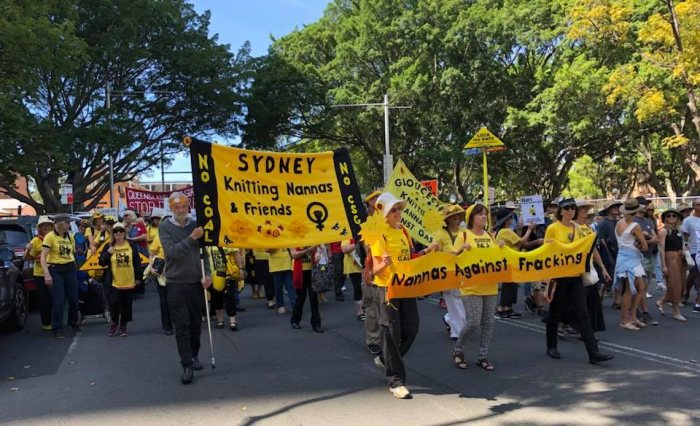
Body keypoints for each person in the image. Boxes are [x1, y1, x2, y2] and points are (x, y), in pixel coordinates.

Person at [544, 198, 613, 364]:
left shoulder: (579, 228)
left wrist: (601, 266)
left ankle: (593, 353)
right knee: (555, 311)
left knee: (583, 312)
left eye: (572, 208)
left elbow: (588, 247)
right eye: (566, 208)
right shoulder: (552, 228)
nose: (569, 211)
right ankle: (551, 346)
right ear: (560, 211)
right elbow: (546, 252)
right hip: (559, 276)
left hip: (575, 276)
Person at [371, 193, 421, 399]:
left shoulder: (404, 231)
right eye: (393, 210)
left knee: (412, 328)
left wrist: (429, 250)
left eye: (399, 209)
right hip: (387, 288)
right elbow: (375, 269)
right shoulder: (378, 235)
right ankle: (396, 381)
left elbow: (411, 258)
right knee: (392, 333)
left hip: (405, 286)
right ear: (384, 214)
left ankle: (385, 358)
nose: (398, 213)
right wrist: (386, 263)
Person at [159, 192, 212, 385]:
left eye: (183, 206)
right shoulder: (165, 226)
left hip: (195, 283)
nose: (181, 210)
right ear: (171, 209)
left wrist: (207, 273)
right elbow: (172, 253)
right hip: (176, 283)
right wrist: (192, 237)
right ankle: (186, 364)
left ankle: (194, 355)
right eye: (177, 207)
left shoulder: (195, 224)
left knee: (196, 323)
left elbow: (203, 253)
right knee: (182, 325)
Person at [452, 203, 502, 371]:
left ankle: (483, 356)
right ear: (471, 217)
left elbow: (497, 258)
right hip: (470, 286)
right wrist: (460, 250)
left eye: (485, 214)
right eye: (479, 213)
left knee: (488, 323)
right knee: (473, 322)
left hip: (490, 286)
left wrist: (501, 247)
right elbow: (452, 257)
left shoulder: (490, 235)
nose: (483, 216)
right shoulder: (463, 236)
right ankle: (458, 350)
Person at [426, 204, 468, 339]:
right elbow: (432, 251)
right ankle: (457, 333)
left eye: (457, 215)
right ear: (447, 219)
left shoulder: (465, 232)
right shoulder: (440, 234)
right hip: (448, 273)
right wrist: (435, 248)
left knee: (465, 302)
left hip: (465, 272)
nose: (455, 218)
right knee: (454, 302)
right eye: (452, 216)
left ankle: (449, 319)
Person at [99, 222, 143, 337]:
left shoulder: (131, 245)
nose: (118, 233)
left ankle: (123, 325)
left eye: (121, 230)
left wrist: (139, 277)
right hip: (114, 281)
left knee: (126, 305)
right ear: (113, 233)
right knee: (114, 303)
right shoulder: (108, 246)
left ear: (124, 232)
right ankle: (114, 323)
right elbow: (101, 263)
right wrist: (107, 254)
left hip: (128, 279)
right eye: (116, 231)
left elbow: (137, 262)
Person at [40, 214, 79, 339]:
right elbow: (43, 257)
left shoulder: (70, 236)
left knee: (73, 298)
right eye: (68, 223)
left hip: (70, 268)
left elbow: (73, 254)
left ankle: (73, 323)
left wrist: (76, 268)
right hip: (55, 269)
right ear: (61, 223)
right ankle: (57, 327)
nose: (69, 225)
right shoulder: (50, 237)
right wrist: (46, 273)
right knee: (59, 300)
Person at [613, 198, 650, 330]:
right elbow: (645, 247)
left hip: (625, 256)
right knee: (630, 290)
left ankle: (633, 317)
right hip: (631, 258)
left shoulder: (619, 223)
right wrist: (645, 239)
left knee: (640, 287)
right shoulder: (635, 226)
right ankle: (624, 320)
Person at [575, 200, 611, 333]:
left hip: (589, 267)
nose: (586, 214)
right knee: (580, 300)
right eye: (583, 211)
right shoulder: (573, 228)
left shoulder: (588, 228)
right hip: (577, 268)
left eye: (586, 211)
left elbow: (593, 249)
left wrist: (602, 266)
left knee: (591, 300)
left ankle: (586, 328)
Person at [494, 208, 535, 319]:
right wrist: (530, 230)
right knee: (509, 286)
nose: (513, 219)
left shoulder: (503, 231)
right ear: (507, 219)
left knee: (510, 286)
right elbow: (522, 242)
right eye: (511, 217)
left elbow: (516, 240)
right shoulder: (505, 231)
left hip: (507, 262)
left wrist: (520, 229)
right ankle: (502, 309)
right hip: (509, 263)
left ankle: (507, 308)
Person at [361, 190, 383, 355]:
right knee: (371, 306)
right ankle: (373, 340)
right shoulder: (364, 222)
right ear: (369, 202)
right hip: (371, 267)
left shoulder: (387, 220)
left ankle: (385, 337)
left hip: (387, 268)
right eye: (376, 199)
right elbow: (366, 246)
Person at [656, 208, 687, 321]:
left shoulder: (678, 230)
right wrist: (663, 265)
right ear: (664, 218)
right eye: (668, 216)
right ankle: (676, 312)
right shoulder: (664, 231)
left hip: (680, 258)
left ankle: (661, 301)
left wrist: (684, 250)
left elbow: (683, 244)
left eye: (674, 215)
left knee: (681, 283)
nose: (671, 217)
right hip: (670, 259)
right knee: (675, 285)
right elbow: (662, 249)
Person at [25, 216, 55, 331]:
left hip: (54, 272)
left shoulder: (55, 238)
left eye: (48, 225)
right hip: (40, 274)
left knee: (56, 298)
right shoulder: (36, 240)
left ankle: (57, 321)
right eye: (43, 226)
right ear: (40, 228)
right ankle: (46, 323)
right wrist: (28, 250)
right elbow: (27, 258)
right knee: (44, 300)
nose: (46, 227)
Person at [632, 197, 659, 325]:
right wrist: (646, 239)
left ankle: (635, 309)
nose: (645, 206)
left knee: (645, 286)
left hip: (649, 255)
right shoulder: (632, 221)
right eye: (642, 204)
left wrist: (645, 240)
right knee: (640, 286)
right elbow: (633, 241)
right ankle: (644, 312)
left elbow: (656, 238)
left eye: (646, 204)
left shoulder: (649, 221)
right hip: (637, 256)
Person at [207, 246, 242, 331]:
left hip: (228, 274)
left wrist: (241, 268)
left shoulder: (228, 239)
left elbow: (236, 254)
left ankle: (232, 320)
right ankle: (220, 318)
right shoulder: (208, 242)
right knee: (216, 297)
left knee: (229, 296)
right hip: (214, 276)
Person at [596, 200, 622, 307]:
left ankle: (617, 300)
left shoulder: (617, 222)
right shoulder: (603, 224)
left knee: (618, 276)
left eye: (617, 206)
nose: (616, 208)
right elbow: (602, 240)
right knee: (609, 278)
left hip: (618, 251)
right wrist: (608, 255)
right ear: (608, 210)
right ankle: (600, 294)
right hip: (607, 252)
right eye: (613, 207)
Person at [290, 246, 322, 332]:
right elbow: (294, 254)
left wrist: (318, 253)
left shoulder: (310, 236)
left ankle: (316, 324)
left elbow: (319, 246)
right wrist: (308, 250)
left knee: (314, 297)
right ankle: (295, 320)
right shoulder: (293, 239)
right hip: (299, 271)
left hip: (312, 270)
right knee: (301, 297)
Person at [148, 231, 172, 335]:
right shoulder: (158, 237)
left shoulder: (180, 234)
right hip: (163, 271)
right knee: (164, 299)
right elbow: (152, 254)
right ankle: (168, 326)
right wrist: (151, 267)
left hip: (178, 269)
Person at [680, 199, 700, 312]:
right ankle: (686, 291)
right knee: (695, 272)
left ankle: (697, 301)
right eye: (698, 204)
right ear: (694, 207)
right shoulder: (688, 221)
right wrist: (685, 248)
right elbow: (684, 236)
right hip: (693, 250)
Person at [341, 239, 364, 320]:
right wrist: (357, 242)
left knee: (366, 287)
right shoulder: (347, 235)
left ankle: (365, 307)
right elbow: (344, 250)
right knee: (357, 287)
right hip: (353, 265)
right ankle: (360, 312)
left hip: (365, 264)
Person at [269, 248, 295, 314]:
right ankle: (280, 306)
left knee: (291, 286)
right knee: (278, 287)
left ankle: (294, 305)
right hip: (276, 266)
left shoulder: (286, 237)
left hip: (288, 264)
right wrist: (278, 244)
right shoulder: (270, 238)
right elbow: (268, 250)